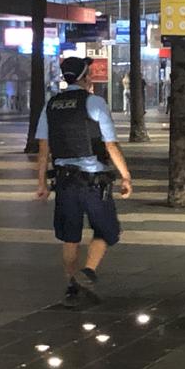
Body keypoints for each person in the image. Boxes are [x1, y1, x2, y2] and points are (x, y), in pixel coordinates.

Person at [35, 57, 133, 307]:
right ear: (85, 76)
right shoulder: (95, 102)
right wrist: (125, 176)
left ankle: (71, 285)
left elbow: (44, 148)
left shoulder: (52, 105)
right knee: (107, 229)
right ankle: (87, 272)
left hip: (64, 181)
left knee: (70, 237)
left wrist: (41, 184)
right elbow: (110, 143)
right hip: (93, 181)